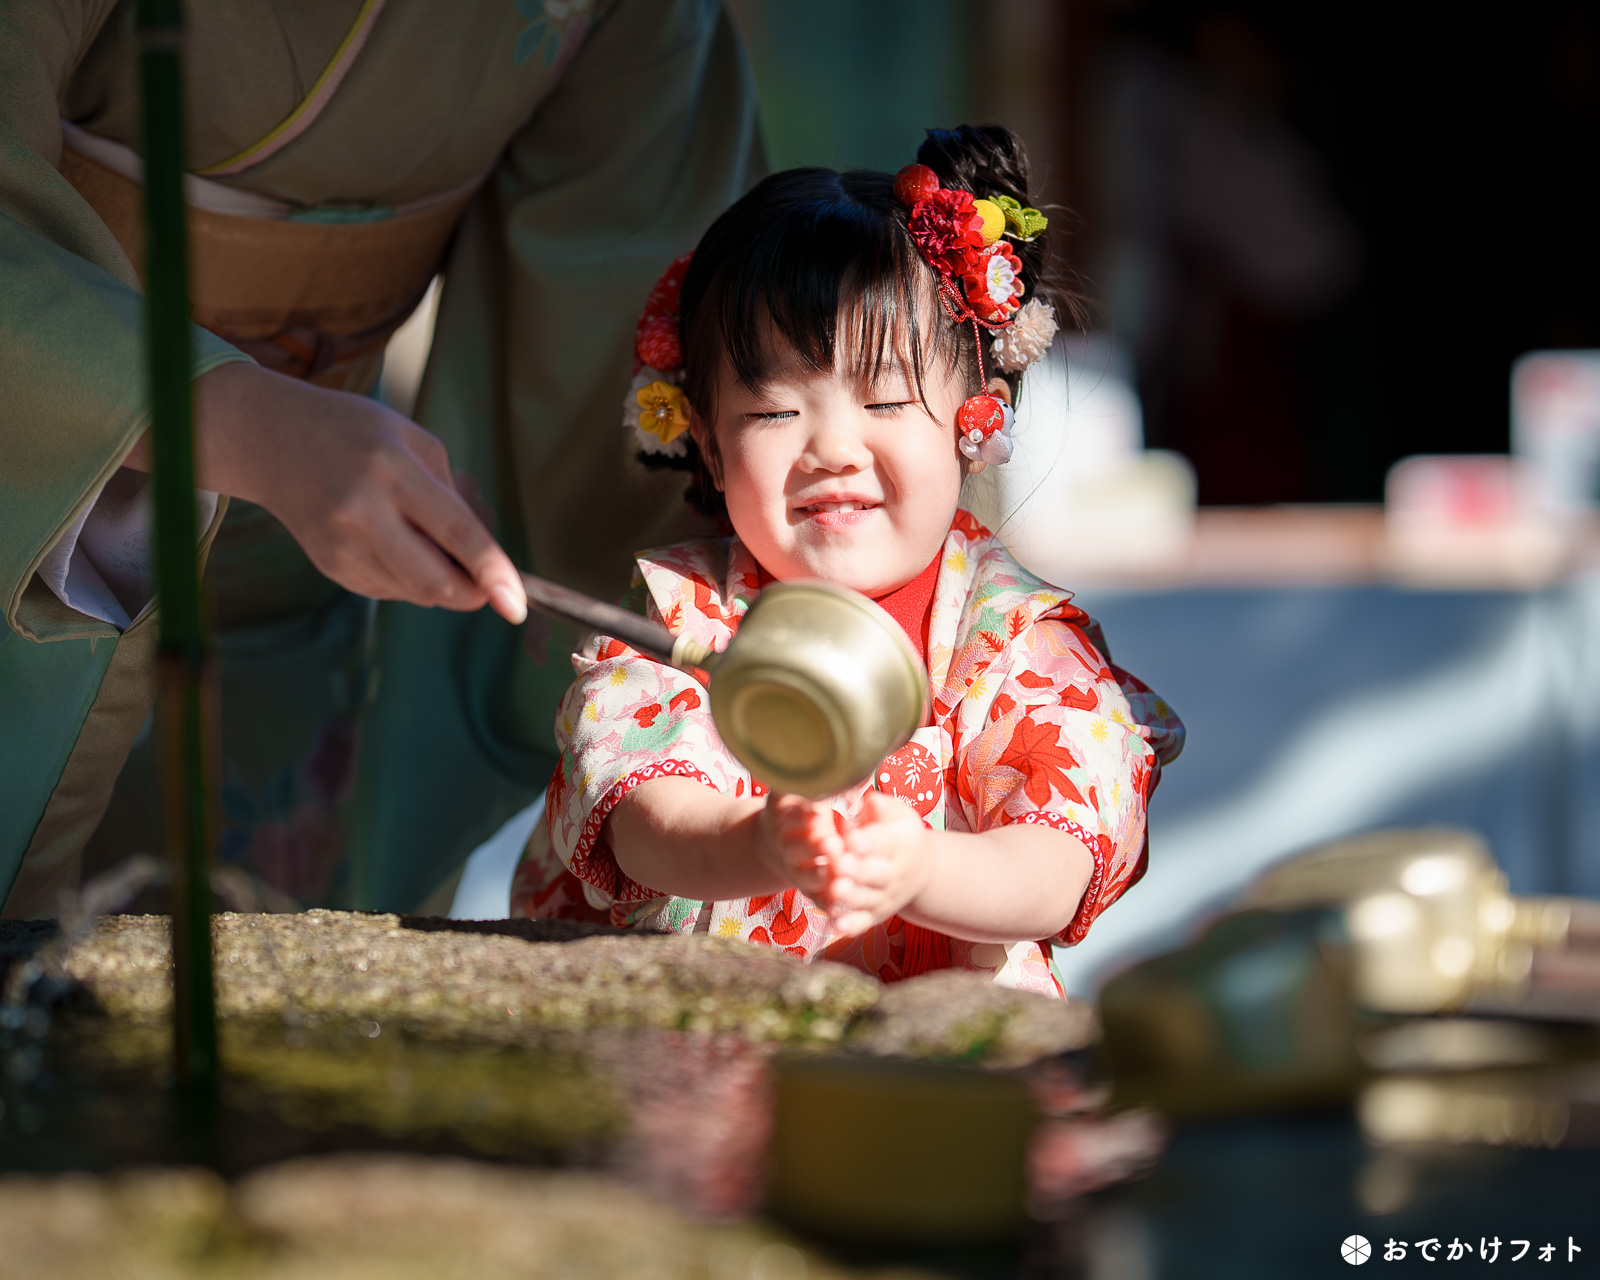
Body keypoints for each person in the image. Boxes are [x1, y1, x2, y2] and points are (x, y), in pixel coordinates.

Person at [0, 0, 762, 915]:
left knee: (248, 970)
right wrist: (248, 421)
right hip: (37, 486)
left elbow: (628, 319)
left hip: (300, 563)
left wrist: (738, 618)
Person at [509, 126, 1184, 997]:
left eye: (887, 398)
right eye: (772, 412)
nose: (832, 448)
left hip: (940, 1062)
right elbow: (642, 815)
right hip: (694, 1038)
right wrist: (752, 844)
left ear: (974, 417)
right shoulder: (679, 618)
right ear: (707, 446)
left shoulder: (1016, 641)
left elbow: (1060, 857)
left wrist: (921, 871)